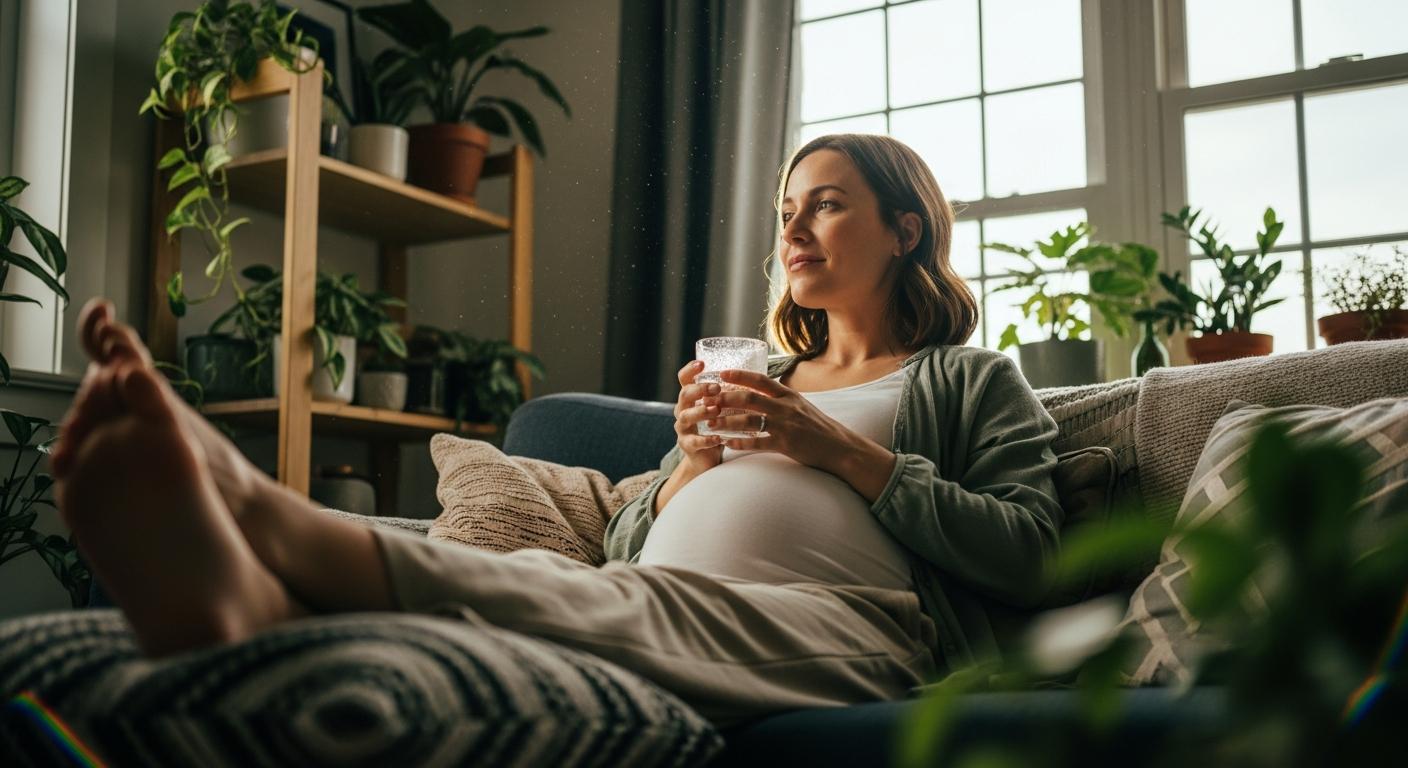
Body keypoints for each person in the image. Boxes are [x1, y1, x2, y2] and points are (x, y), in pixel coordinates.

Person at [51, 134, 1060, 728]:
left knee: (623, 606)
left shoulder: (970, 381)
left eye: (826, 207)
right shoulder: (763, 379)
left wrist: (834, 447)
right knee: (579, 587)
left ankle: (276, 524)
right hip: (658, 592)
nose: (791, 229)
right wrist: (689, 467)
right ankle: (259, 608)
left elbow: (1030, 559)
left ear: (905, 230)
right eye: (786, 209)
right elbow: (624, 543)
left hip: (852, 629)